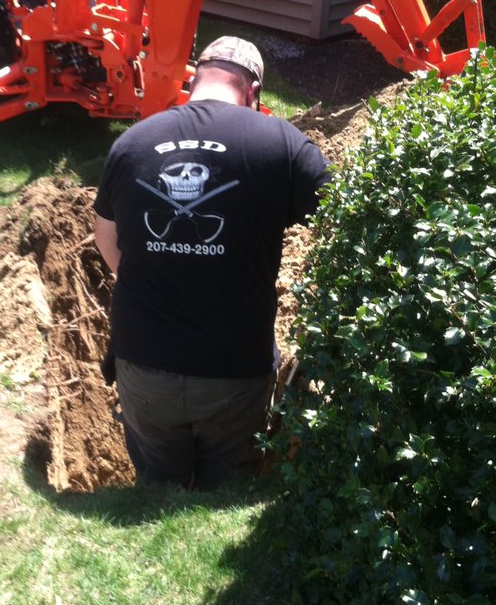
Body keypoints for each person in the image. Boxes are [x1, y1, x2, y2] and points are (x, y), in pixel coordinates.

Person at [93, 36, 330, 489]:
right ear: (253, 90)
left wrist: (160, 274)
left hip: (144, 367)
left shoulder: (132, 143)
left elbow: (106, 240)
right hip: (233, 376)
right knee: (226, 493)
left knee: (158, 496)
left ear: (195, 79)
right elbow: (347, 210)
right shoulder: (280, 142)